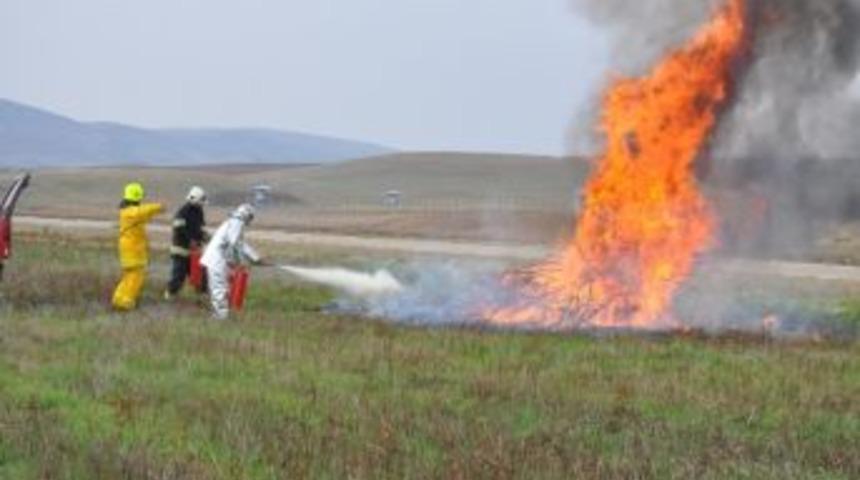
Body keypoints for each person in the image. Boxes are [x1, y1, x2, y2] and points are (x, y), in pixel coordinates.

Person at [200, 203, 264, 319]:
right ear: (246, 215)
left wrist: (256, 257)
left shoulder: (234, 222)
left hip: (216, 259)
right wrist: (240, 262)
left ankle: (219, 315)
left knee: (219, 288)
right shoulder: (236, 223)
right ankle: (220, 318)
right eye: (250, 217)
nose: (250, 220)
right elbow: (234, 245)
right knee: (219, 288)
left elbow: (240, 244)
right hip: (217, 260)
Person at [112, 182, 164, 311]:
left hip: (132, 250)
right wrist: (158, 207)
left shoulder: (128, 213)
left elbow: (144, 214)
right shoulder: (130, 213)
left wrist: (155, 211)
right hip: (133, 251)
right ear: (137, 197)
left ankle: (118, 299)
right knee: (136, 278)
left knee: (128, 276)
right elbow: (142, 212)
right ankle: (126, 302)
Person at [164, 186, 209, 299]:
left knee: (201, 274)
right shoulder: (183, 211)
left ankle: (202, 295)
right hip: (180, 250)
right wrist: (190, 241)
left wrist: (206, 237)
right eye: (201, 201)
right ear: (196, 199)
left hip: (194, 251)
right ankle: (169, 294)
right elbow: (179, 229)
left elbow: (200, 228)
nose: (202, 204)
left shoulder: (199, 211)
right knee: (179, 275)